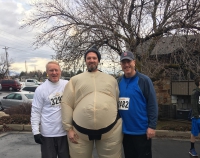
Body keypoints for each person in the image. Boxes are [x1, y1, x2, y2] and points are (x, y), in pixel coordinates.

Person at [61, 45, 123, 158]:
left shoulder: (111, 80)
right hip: (80, 131)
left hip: (110, 131)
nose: (91, 60)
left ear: (98, 60)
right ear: (85, 60)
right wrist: (68, 129)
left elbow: (116, 100)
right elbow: (66, 104)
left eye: (94, 58)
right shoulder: (75, 80)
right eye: (89, 58)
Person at [118, 51, 158, 158]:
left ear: (134, 62)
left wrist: (152, 126)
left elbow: (152, 104)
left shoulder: (144, 80)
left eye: (129, 61)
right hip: (125, 132)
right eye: (123, 62)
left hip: (142, 132)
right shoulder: (118, 82)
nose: (126, 65)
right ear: (121, 65)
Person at [31, 61, 70, 158]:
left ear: (60, 71)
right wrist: (36, 132)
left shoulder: (67, 85)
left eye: (56, 70)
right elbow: (36, 111)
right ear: (47, 72)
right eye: (51, 70)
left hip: (65, 133)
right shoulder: (40, 89)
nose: (54, 72)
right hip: (48, 134)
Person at [189, 76, 200, 157]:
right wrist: (197, 116)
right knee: (194, 133)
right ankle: (192, 149)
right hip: (196, 117)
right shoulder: (195, 93)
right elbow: (194, 105)